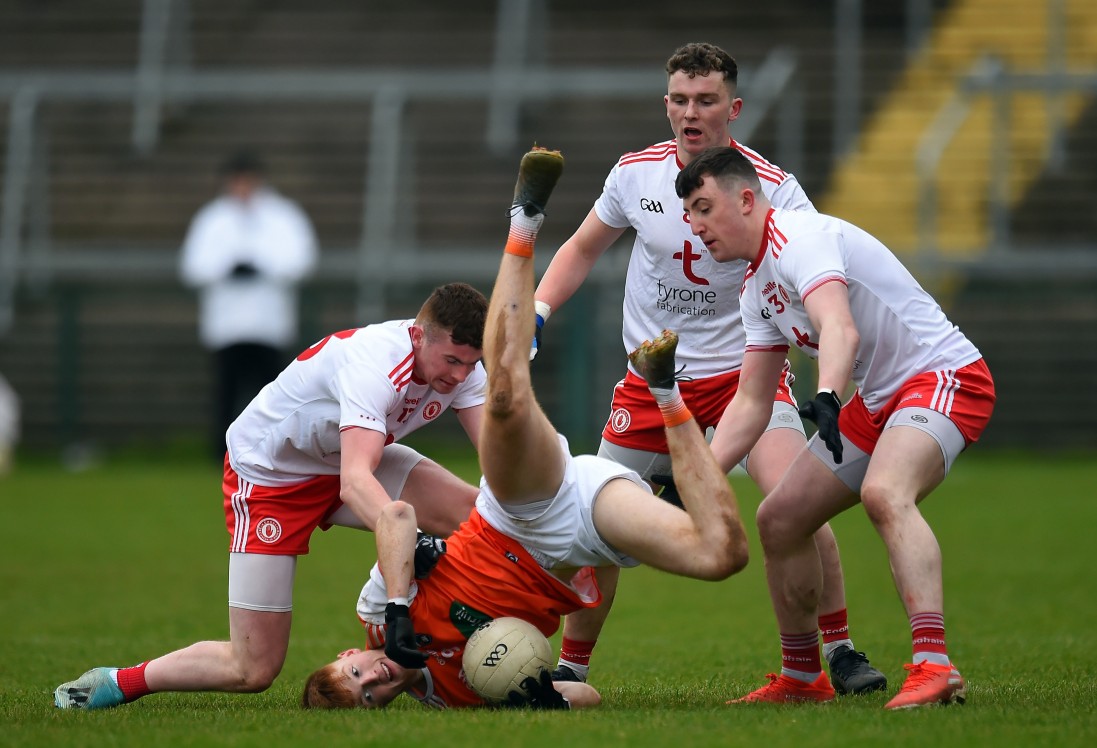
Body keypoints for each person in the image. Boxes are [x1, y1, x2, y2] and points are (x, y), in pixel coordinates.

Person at [300, 146, 749, 711]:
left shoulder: (375, 617)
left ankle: (524, 220)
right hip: (572, 545)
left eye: (358, 671)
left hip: (521, 512)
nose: (377, 676)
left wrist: (397, 605)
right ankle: (666, 393)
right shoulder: (456, 699)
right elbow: (588, 697)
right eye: (372, 695)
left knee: (506, 397)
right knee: (722, 556)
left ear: (349, 650)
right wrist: (541, 698)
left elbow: (398, 524)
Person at [532, 41, 885, 695]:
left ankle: (839, 652)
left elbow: (813, 264)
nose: (690, 113)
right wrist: (540, 309)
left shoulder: (774, 188)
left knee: (795, 506)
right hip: (650, 382)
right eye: (679, 100)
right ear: (665, 103)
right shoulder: (634, 174)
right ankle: (571, 668)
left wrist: (826, 350)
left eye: (706, 100)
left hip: (743, 378)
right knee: (595, 517)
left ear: (734, 107)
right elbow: (582, 248)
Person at [53, 282, 491, 710]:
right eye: (451, 360)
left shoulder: (465, 371)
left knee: (483, 515)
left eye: (470, 364)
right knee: (253, 668)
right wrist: (399, 605)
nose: (458, 375)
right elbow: (355, 482)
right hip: (272, 477)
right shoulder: (373, 366)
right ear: (417, 336)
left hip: (346, 454)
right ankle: (117, 683)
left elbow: (501, 473)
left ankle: (561, 656)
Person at [675, 145, 995, 708]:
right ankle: (803, 676)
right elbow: (750, 402)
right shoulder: (756, 286)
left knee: (885, 492)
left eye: (703, 208)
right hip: (879, 400)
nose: (696, 227)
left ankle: (934, 665)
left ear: (746, 199)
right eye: (690, 215)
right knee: (779, 517)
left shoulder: (801, 237)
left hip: (943, 376)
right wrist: (692, 480)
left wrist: (826, 393)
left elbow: (838, 329)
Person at [180, 150, 319, 461]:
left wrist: (262, 266)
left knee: (271, 392)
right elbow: (193, 265)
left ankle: (274, 451)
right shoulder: (212, 218)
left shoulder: (283, 216)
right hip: (227, 324)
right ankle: (224, 453)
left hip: (268, 322)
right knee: (226, 391)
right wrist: (227, 268)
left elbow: (301, 259)